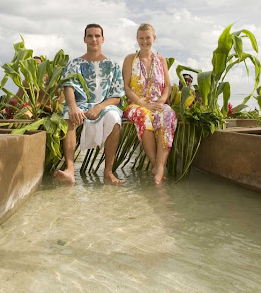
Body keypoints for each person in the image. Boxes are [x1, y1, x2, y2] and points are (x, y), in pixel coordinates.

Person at [55, 24, 125, 184]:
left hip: (105, 106)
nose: (94, 39)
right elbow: (68, 86)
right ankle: (70, 169)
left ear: (103, 39)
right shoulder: (75, 63)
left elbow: (117, 96)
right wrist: (73, 107)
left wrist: (99, 107)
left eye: (97, 36)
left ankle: (108, 171)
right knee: (68, 116)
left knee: (114, 117)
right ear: (84, 39)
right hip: (80, 104)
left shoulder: (113, 65)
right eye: (90, 36)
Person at [122, 24, 177, 185]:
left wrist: (160, 101)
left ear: (154, 38)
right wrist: (142, 103)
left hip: (157, 103)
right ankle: (155, 165)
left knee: (168, 115)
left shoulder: (161, 60)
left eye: (147, 37)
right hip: (136, 104)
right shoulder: (129, 59)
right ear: (137, 39)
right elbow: (126, 87)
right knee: (144, 116)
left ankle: (159, 168)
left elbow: (167, 86)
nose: (144, 41)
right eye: (141, 38)